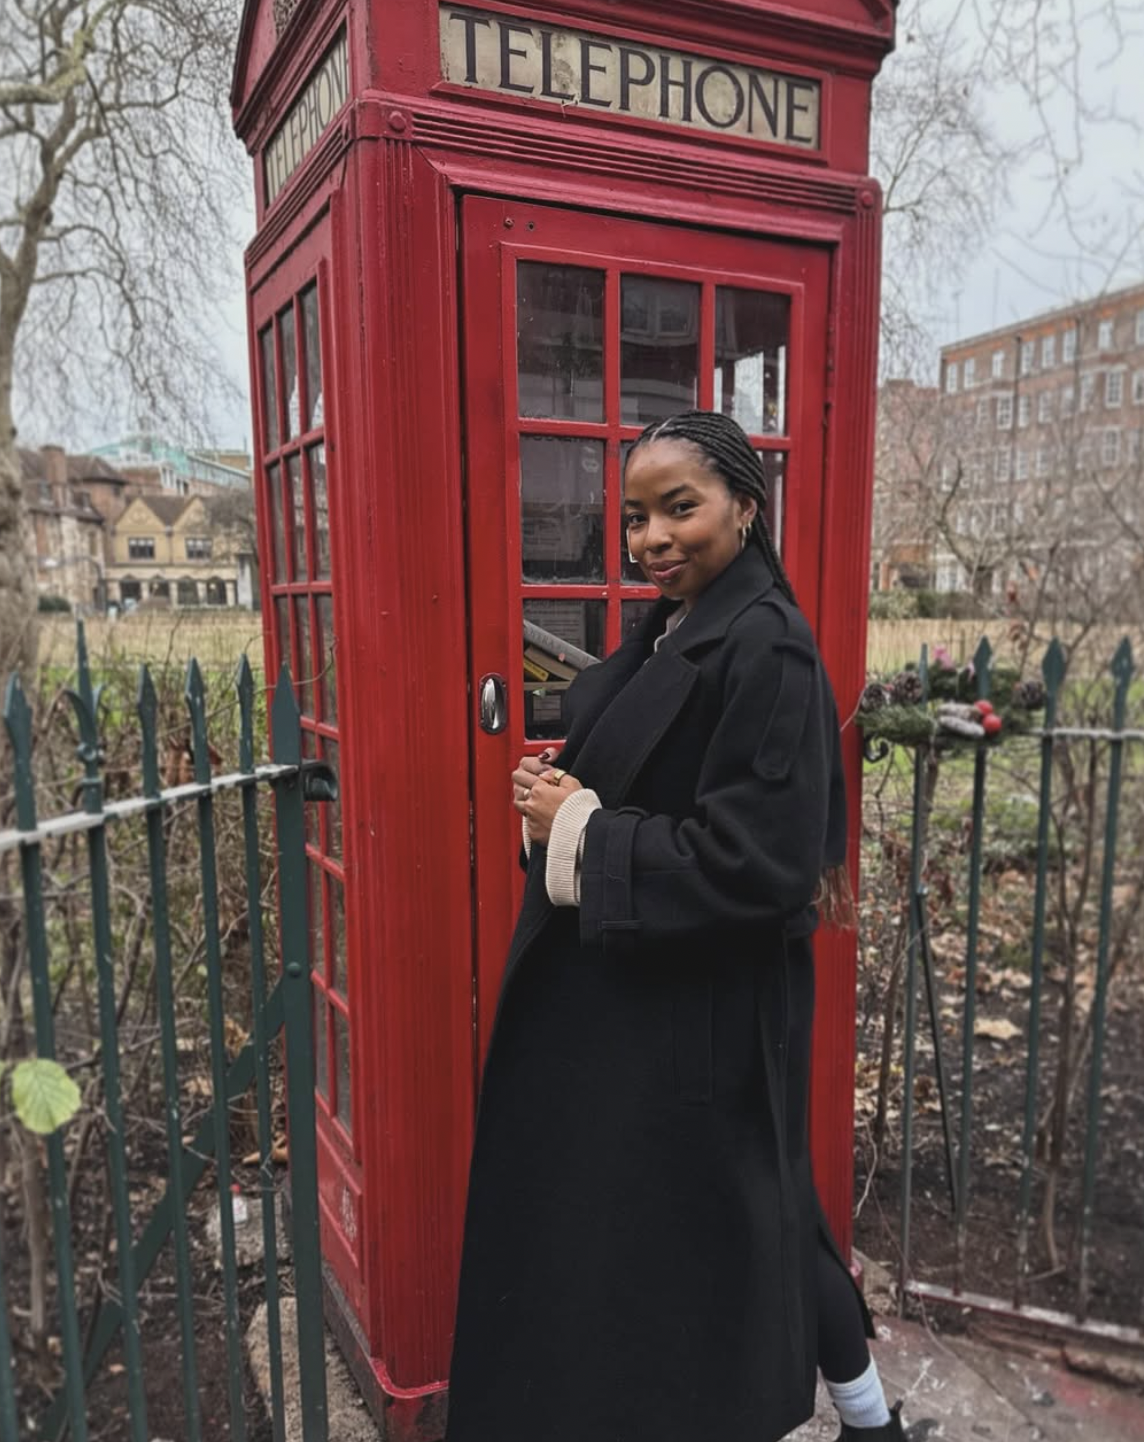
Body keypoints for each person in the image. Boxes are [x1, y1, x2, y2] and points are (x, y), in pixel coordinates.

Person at [446, 410, 913, 1442]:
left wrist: (576, 826)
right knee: (774, 1210)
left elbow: (759, 861)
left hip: (702, 1015)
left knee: (741, 1230)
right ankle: (871, 1421)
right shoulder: (674, 623)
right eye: (634, 516)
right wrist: (562, 793)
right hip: (646, 999)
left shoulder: (769, 649)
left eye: (678, 508)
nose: (651, 537)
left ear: (746, 507)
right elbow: (640, 781)